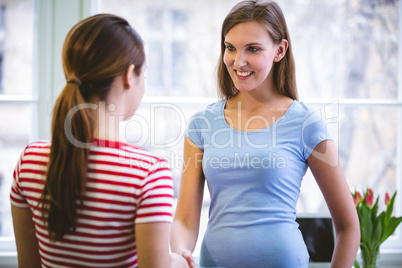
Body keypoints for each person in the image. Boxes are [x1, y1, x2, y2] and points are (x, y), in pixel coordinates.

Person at [170, 1, 360, 267]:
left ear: (279, 50)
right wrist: (180, 253)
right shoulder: (202, 125)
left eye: (253, 49)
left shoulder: (306, 124)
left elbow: (348, 226)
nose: (238, 61)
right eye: (230, 48)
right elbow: (185, 221)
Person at [10, 14, 188, 268]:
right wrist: (177, 262)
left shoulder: (29, 161)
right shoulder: (149, 173)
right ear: (130, 76)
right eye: (144, 76)